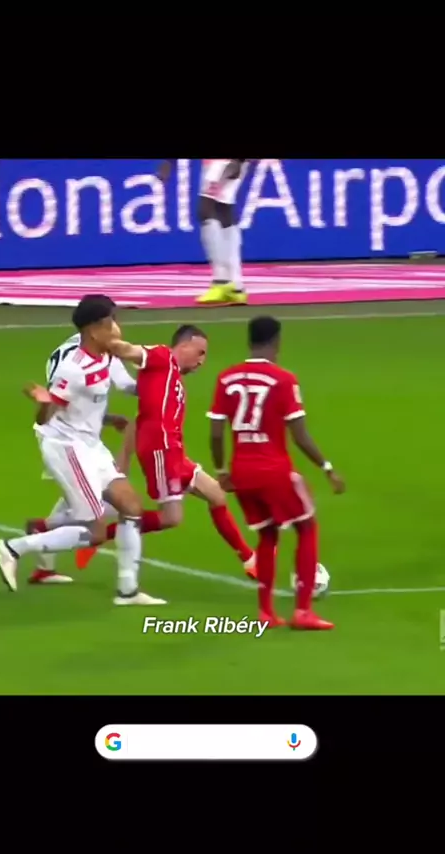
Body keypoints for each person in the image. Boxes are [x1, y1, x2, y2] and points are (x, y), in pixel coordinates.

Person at [0, 294, 165, 607]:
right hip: (67, 448)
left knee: (131, 505)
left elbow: (97, 400)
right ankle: (13, 548)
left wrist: (164, 377)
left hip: (91, 444)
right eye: (111, 321)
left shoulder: (108, 356)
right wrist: (44, 403)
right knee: (94, 531)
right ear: (94, 330)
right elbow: (47, 417)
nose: (117, 326)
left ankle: (128, 590)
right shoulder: (73, 369)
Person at [80, 324, 257, 575]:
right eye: (200, 352)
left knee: (216, 494)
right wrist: (105, 339)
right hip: (161, 450)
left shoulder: (171, 378)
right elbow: (128, 350)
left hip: (174, 453)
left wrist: (125, 458)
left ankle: (249, 558)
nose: (202, 361)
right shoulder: (162, 357)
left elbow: (141, 417)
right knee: (171, 518)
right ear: (184, 345)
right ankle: (99, 535)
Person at [206, 315, 345, 630]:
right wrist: (327, 468)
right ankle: (303, 611)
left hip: (242, 472)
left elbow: (215, 433)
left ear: (249, 340)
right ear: (276, 341)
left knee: (267, 535)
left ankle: (266, 612)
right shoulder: (283, 380)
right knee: (306, 527)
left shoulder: (226, 378)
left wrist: (222, 470)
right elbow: (300, 436)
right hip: (273, 470)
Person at [27, 327, 138, 585]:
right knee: (99, 509)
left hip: (70, 433)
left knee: (81, 498)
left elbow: (74, 400)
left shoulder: (68, 349)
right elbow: (127, 385)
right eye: (111, 321)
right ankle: (33, 535)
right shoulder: (92, 355)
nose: (116, 328)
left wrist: (106, 418)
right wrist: (163, 377)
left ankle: (43, 561)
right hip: (70, 441)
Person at [157, 159, 250, 305]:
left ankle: (222, 281)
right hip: (223, 163)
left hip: (222, 162)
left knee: (206, 210)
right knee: (223, 211)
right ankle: (236, 286)